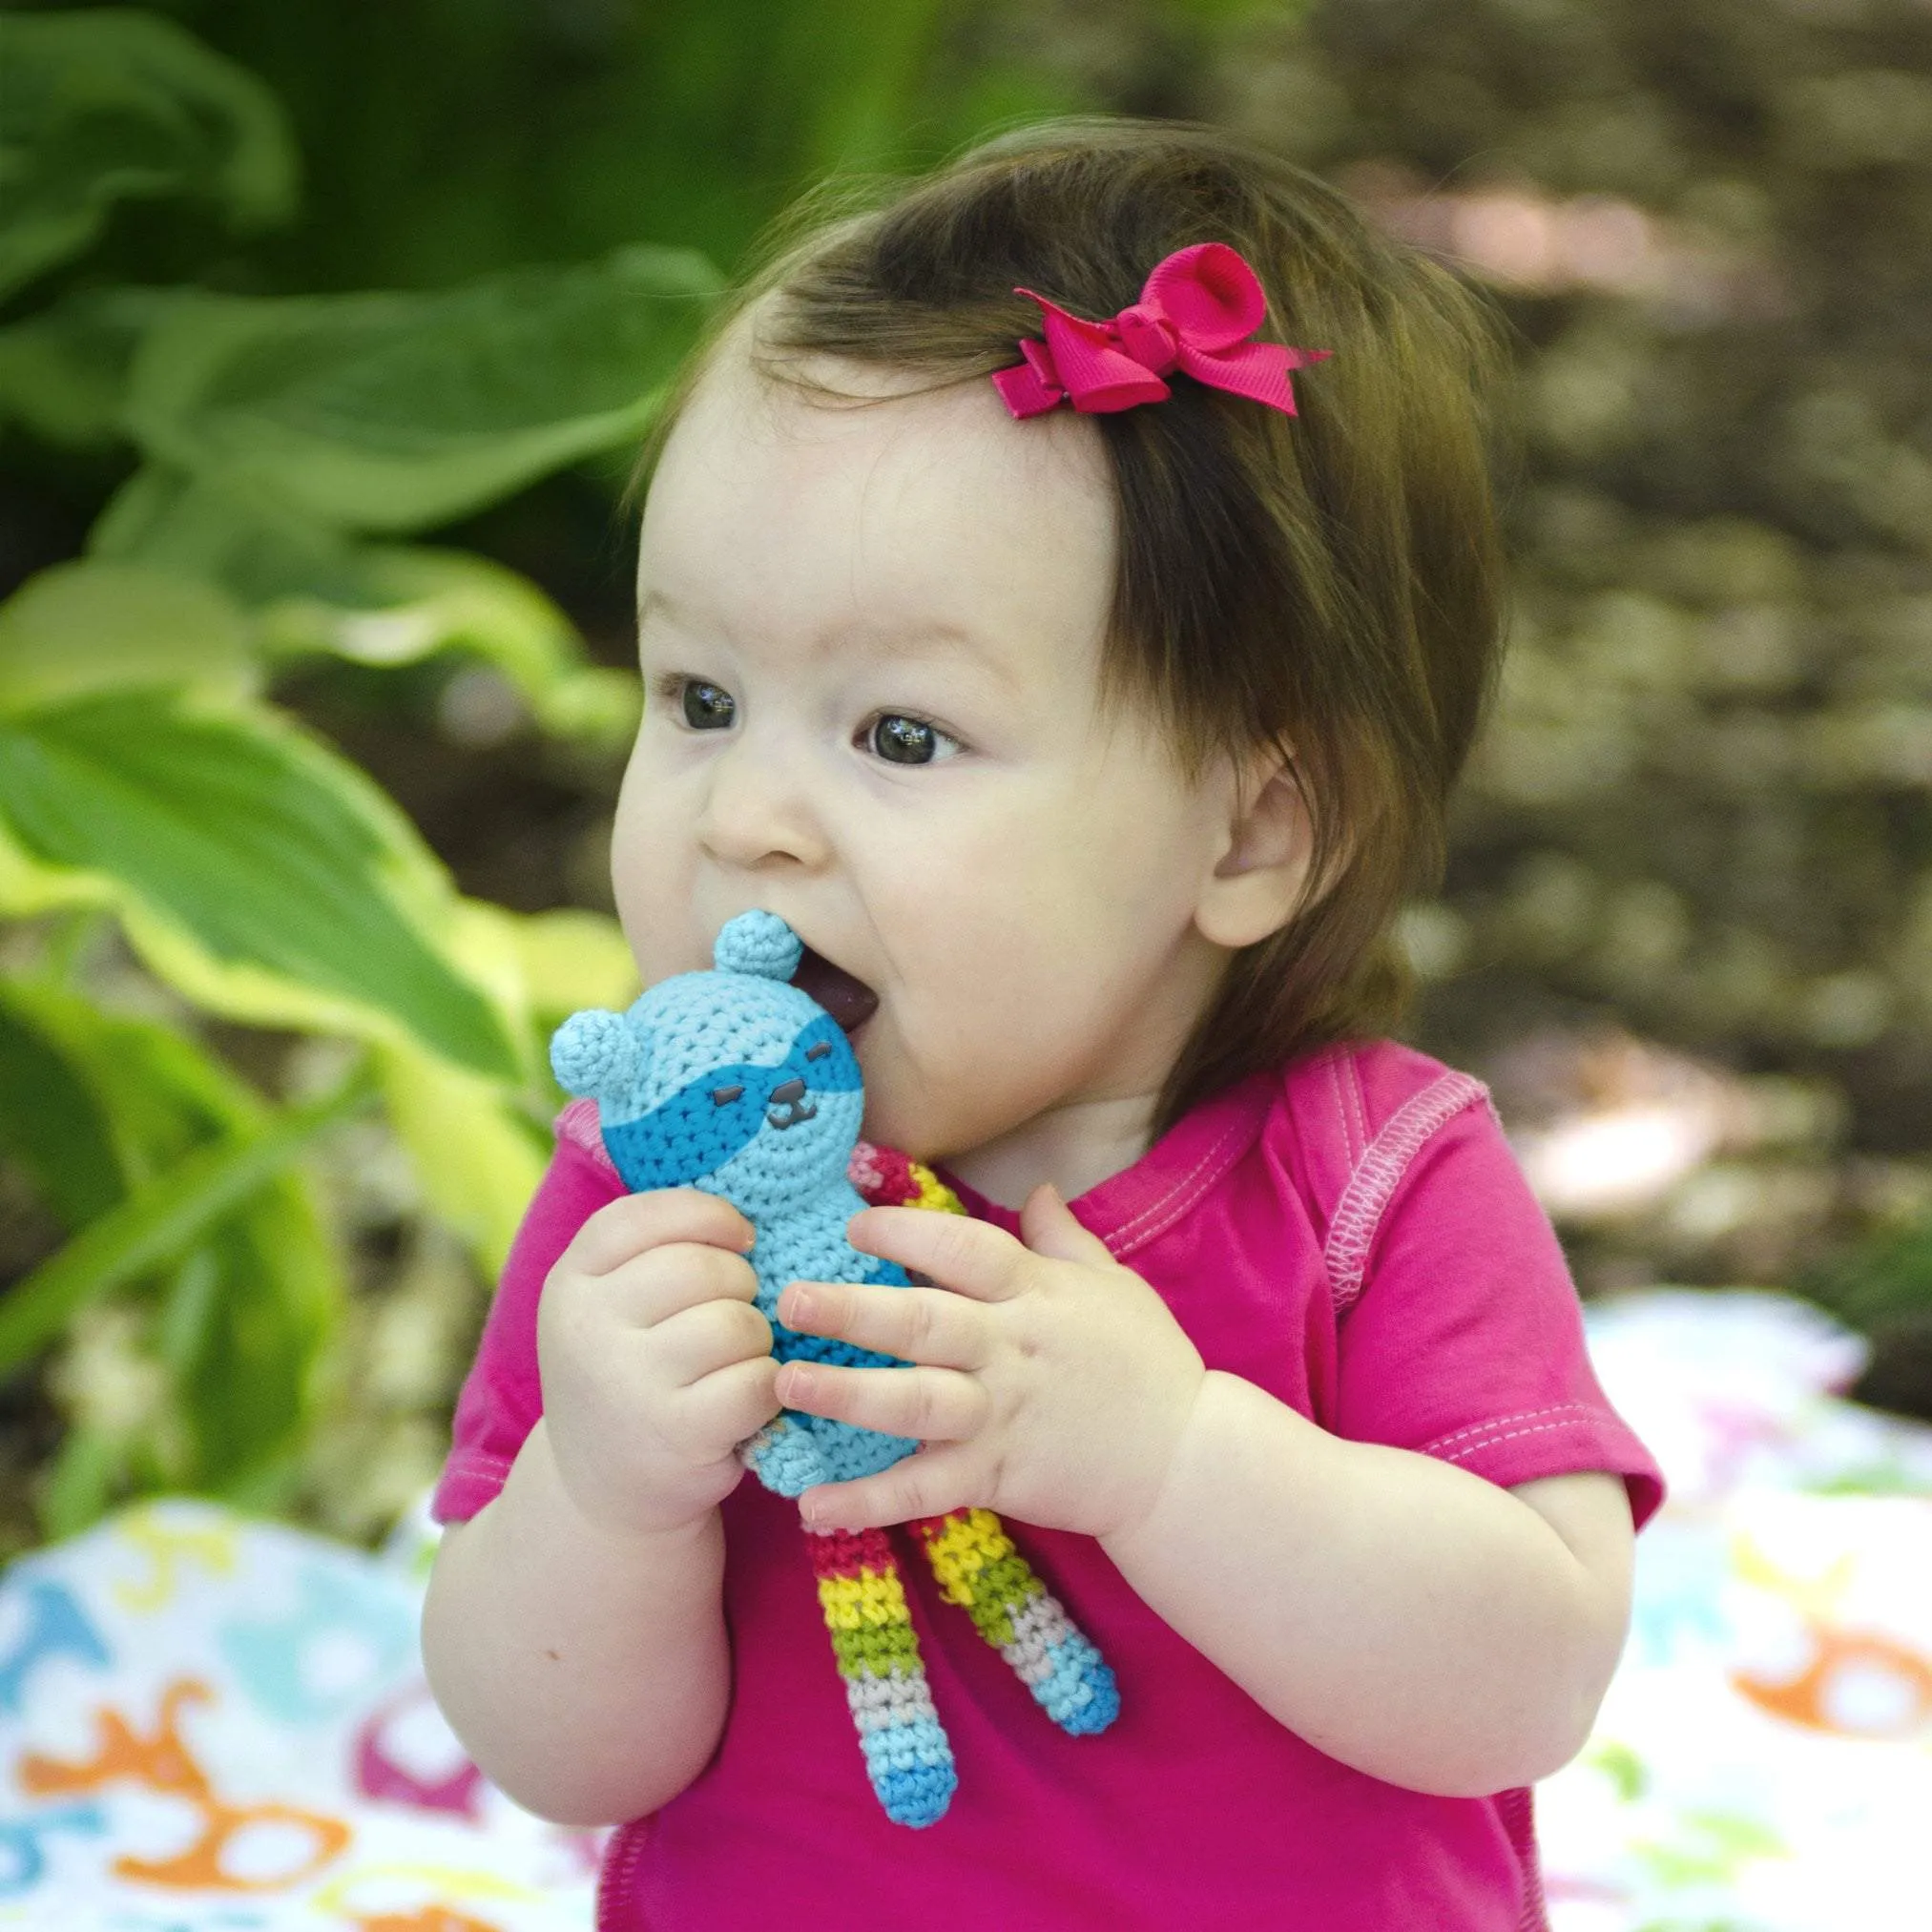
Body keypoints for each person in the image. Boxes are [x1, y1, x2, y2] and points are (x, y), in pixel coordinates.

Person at [420, 118, 1665, 1929]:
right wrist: (602, 1500)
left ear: (1248, 829)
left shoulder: (1371, 1185)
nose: (742, 816)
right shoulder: (653, 1202)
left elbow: (1524, 1687)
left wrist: (1172, 1461)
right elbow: (562, 1757)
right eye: (699, 694)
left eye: (899, 736)